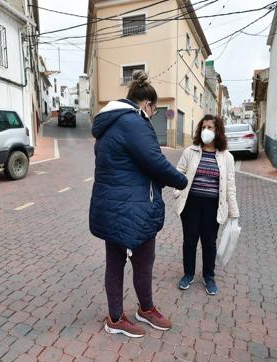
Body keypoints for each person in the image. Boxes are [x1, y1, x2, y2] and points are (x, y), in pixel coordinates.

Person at [89, 71, 188, 338]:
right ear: (147, 105)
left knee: (115, 262)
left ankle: (115, 316)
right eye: (154, 111)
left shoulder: (108, 124)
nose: (153, 116)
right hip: (134, 209)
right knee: (143, 262)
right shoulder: (133, 122)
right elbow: (155, 161)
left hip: (112, 207)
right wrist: (181, 180)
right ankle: (143, 310)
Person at [174, 115, 239, 295]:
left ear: (218, 131)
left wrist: (234, 212)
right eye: (203, 127)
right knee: (189, 241)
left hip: (213, 206)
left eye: (210, 127)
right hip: (191, 204)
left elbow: (230, 186)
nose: (206, 131)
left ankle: (208, 276)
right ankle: (188, 274)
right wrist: (177, 192)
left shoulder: (227, 157)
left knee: (209, 242)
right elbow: (178, 172)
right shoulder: (190, 151)